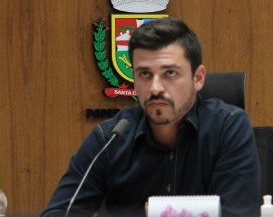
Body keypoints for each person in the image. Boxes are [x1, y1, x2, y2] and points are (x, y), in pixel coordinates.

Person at [40, 17, 260, 217]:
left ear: (198, 78)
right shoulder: (109, 139)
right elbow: (58, 213)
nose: (155, 88)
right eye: (144, 74)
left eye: (170, 73)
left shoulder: (228, 128)